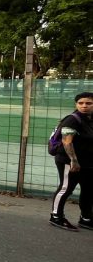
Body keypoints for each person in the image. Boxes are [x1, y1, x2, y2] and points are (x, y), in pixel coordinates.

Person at [50, 92, 93, 231]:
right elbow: (67, 142)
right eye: (80, 103)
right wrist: (73, 161)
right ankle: (56, 216)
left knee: (89, 189)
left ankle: (86, 218)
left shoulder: (90, 119)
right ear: (76, 104)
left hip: (87, 162)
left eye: (88, 103)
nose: (84, 106)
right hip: (68, 160)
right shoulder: (72, 120)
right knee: (66, 188)